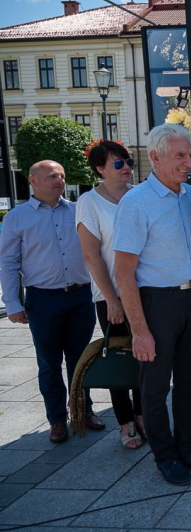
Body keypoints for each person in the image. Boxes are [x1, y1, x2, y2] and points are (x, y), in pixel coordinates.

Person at [114, 123, 191, 486]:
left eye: (189, 154)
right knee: (156, 387)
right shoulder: (135, 203)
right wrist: (140, 331)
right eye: (180, 155)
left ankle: (189, 449)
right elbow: (124, 273)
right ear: (155, 157)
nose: (188, 161)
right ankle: (165, 456)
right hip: (157, 302)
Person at [0, 161, 104, 444]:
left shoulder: (78, 210)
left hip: (81, 296)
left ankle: (84, 410)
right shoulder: (17, 218)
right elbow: (8, 262)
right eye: (51, 176)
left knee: (81, 359)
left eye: (61, 175)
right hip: (43, 299)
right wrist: (12, 302)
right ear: (32, 180)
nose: (59, 180)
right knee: (49, 363)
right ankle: (56, 419)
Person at [76, 140, 144, 449]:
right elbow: (92, 256)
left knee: (146, 356)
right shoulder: (90, 202)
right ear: (100, 169)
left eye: (127, 161)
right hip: (111, 296)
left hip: (145, 291)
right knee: (118, 354)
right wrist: (112, 299)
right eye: (118, 164)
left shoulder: (139, 196)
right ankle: (126, 422)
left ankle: (144, 415)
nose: (126, 166)